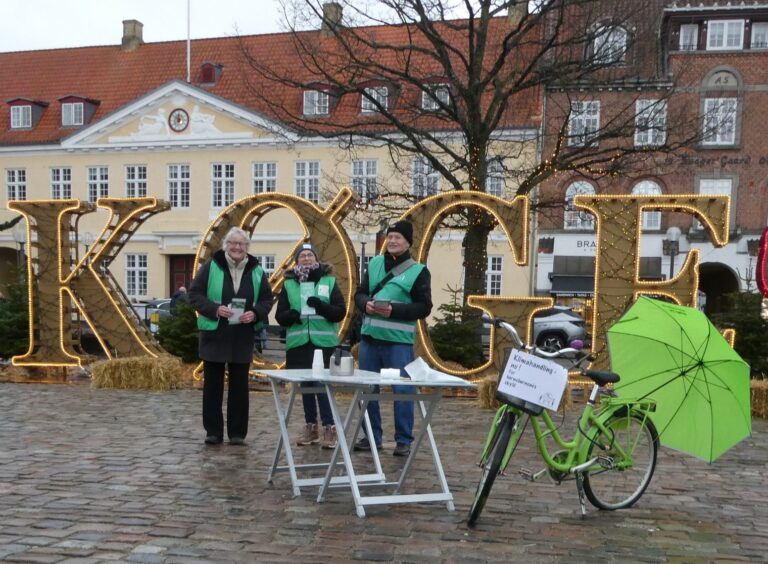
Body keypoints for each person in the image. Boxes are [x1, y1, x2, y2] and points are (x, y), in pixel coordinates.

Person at [353, 220, 432, 457]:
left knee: (402, 391)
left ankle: (403, 440)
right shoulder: (375, 263)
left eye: (398, 237)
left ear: (408, 242)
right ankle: (372, 437)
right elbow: (360, 293)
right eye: (390, 237)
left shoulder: (418, 271)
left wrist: (394, 310)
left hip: (398, 341)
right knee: (367, 389)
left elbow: (424, 307)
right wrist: (364, 303)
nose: (393, 241)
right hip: (369, 339)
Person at [188, 227, 273, 446]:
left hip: (242, 335)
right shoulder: (211, 266)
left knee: (239, 388)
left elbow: (266, 300)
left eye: (241, 244)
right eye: (233, 243)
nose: (237, 247)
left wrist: (254, 313)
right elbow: (194, 295)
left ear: (247, 248)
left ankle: (237, 433)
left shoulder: (257, 271)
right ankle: (213, 431)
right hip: (215, 334)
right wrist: (215, 308)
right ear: (226, 246)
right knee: (212, 387)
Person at [275, 243, 346, 449]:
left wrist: (321, 306)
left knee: (321, 385)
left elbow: (339, 312)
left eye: (310, 255)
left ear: (317, 260)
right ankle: (311, 426)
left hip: (323, 343)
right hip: (298, 343)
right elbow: (280, 316)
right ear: (296, 261)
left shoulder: (329, 281)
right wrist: (292, 315)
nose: (306, 258)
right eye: (302, 256)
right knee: (305, 386)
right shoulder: (289, 285)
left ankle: (329, 427)